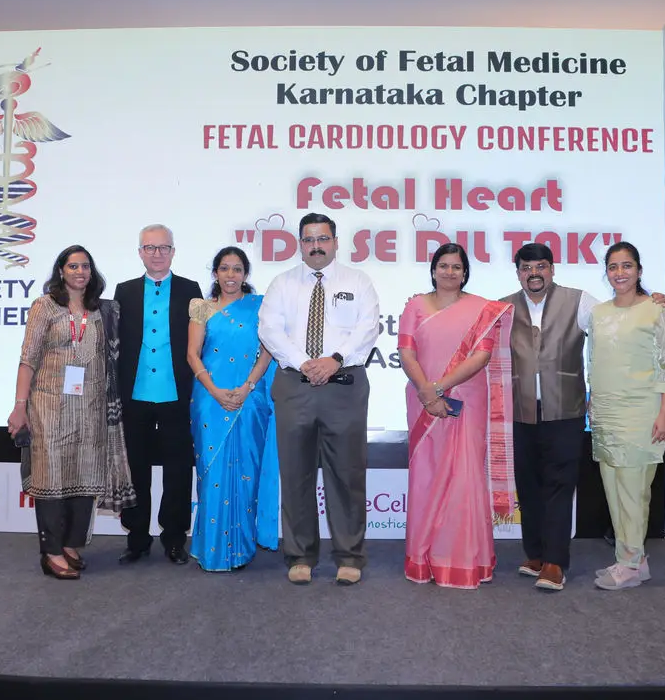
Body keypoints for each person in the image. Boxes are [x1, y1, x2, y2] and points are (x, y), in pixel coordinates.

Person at [502, 243, 665, 592]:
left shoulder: (580, 302)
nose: (534, 273)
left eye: (541, 266)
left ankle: (555, 562)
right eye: (526, 268)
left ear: (552, 269)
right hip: (520, 411)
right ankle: (535, 555)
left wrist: (652, 301)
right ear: (518, 273)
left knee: (560, 487)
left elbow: (619, 319)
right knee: (528, 487)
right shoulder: (503, 308)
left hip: (566, 410)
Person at [259, 213, 380, 586]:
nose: (316, 246)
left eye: (323, 239)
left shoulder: (357, 281)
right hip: (295, 385)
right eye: (309, 240)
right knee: (296, 474)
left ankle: (349, 556)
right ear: (300, 244)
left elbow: (368, 327)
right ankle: (300, 555)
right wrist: (305, 363)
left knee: (347, 474)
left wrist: (334, 360)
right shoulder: (282, 284)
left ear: (335, 242)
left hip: (343, 386)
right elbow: (269, 329)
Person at [7, 245, 135, 579]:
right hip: (50, 407)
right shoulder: (45, 306)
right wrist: (19, 407)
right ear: (61, 271)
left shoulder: (101, 311)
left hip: (91, 407)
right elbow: (28, 359)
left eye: (86, 266)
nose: (80, 272)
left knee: (85, 477)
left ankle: (71, 544)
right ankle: (51, 551)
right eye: (73, 266)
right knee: (50, 477)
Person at [397, 244, 514, 589]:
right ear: (433, 270)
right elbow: (406, 352)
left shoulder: (482, 309)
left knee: (465, 478)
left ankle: (462, 561)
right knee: (427, 476)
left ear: (465, 273)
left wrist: (439, 388)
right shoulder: (415, 306)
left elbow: (481, 357)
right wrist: (427, 392)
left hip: (466, 400)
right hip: (423, 402)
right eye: (443, 266)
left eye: (456, 267)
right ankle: (423, 558)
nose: (449, 272)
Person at [587, 241, 665, 591]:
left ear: (639, 270)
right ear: (606, 273)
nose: (620, 273)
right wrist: (592, 399)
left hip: (641, 412)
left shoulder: (657, 310)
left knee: (633, 491)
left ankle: (628, 563)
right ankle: (633, 560)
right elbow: (593, 359)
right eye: (613, 267)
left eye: (627, 266)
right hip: (606, 412)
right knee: (613, 489)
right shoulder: (598, 313)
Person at [114, 224, 204, 565]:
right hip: (134, 394)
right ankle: (137, 538)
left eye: (163, 247)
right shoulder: (124, 291)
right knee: (134, 468)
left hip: (177, 394)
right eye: (150, 248)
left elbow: (202, 340)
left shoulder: (192, 290)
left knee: (178, 470)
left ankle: (174, 538)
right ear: (140, 252)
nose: (157, 254)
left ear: (173, 252)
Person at [186, 246, 279, 571]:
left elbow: (268, 350)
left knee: (246, 473)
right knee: (211, 473)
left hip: (249, 399)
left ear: (245, 274)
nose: (230, 275)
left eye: (237, 269)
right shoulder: (201, 307)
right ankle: (211, 549)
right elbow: (192, 354)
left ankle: (240, 548)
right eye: (224, 268)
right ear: (215, 273)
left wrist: (247, 386)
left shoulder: (259, 307)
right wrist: (215, 391)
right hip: (209, 400)